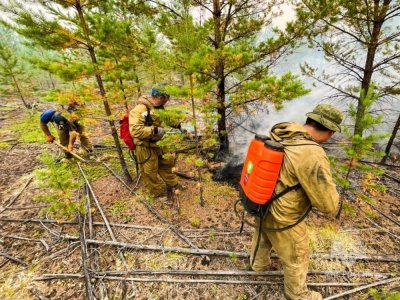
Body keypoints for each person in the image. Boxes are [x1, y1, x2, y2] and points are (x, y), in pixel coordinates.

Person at [250, 104, 343, 300]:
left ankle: (257, 266)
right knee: (297, 255)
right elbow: (327, 205)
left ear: (309, 120)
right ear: (331, 131)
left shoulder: (282, 132)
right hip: (285, 216)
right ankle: (297, 294)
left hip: (260, 201)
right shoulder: (312, 153)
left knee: (263, 237)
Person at [129, 84, 179, 202]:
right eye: (166, 97)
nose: (167, 101)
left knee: (167, 163)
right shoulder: (140, 109)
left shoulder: (159, 106)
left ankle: (173, 184)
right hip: (145, 146)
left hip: (159, 143)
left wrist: (179, 125)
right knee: (150, 171)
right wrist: (155, 130)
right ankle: (156, 194)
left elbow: (165, 117)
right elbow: (135, 130)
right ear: (160, 97)